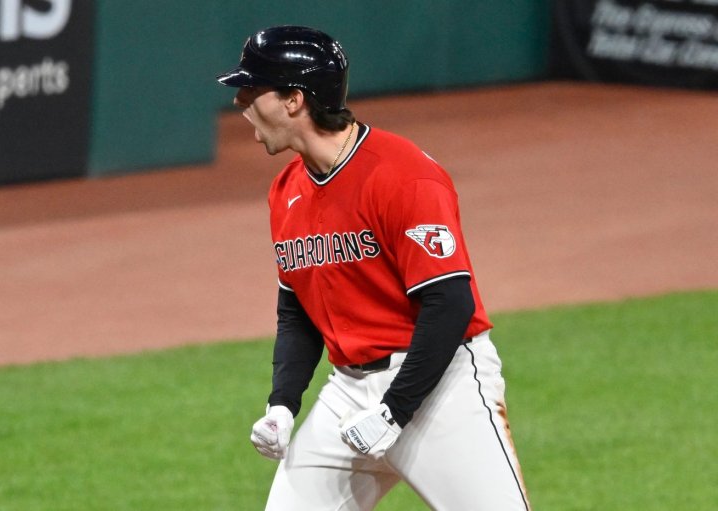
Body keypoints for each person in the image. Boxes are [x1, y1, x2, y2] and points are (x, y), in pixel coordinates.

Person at [216, 25, 530, 511]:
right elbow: (297, 311)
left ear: (294, 100)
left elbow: (450, 302)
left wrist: (395, 410)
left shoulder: (402, 175)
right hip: (349, 392)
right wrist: (283, 404)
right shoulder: (286, 191)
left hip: (440, 388)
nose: (240, 101)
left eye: (252, 88)